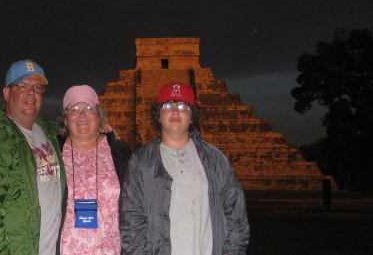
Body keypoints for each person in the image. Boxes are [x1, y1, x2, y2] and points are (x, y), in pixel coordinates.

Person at [120, 83, 250, 255]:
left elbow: (235, 211)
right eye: (167, 105)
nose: (175, 111)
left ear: (192, 117)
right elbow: (131, 219)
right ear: (158, 115)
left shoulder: (214, 158)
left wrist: (231, 252)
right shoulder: (141, 161)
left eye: (183, 106)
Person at [0, 59, 67, 255]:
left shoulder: (50, 134)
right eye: (22, 86)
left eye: (37, 87)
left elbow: (82, 135)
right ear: (7, 93)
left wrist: (104, 132)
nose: (31, 92)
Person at [58, 85, 133, 255]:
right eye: (74, 109)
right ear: (65, 118)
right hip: (66, 249)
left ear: (99, 116)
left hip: (113, 249)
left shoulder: (120, 151)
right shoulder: (53, 152)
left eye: (89, 108)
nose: (82, 114)